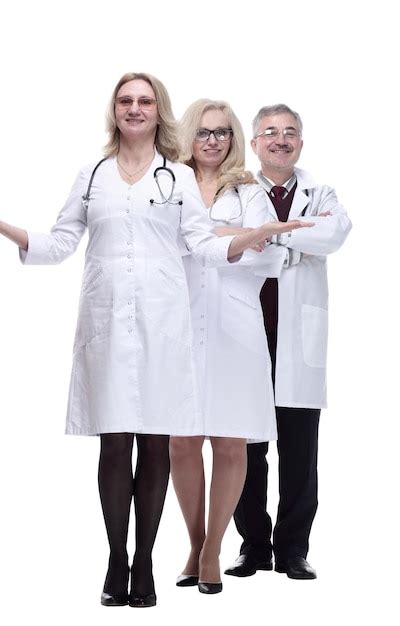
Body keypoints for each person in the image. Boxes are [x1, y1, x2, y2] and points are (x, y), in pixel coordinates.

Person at [0, 78, 310, 607]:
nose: (134, 109)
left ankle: (145, 564)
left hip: (164, 322)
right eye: (125, 101)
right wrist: (6, 229)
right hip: (108, 321)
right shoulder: (92, 175)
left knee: (158, 442)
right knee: (114, 442)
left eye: (144, 100)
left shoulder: (178, 177)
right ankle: (117, 558)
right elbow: (62, 242)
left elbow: (203, 246)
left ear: (158, 111)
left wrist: (258, 234)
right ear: (113, 111)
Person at [169, 99, 304, 595]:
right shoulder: (170, 184)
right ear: (188, 136)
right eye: (203, 132)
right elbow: (166, 247)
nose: (213, 140)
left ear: (233, 139)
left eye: (223, 132)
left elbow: (268, 257)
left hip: (236, 326)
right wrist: (236, 237)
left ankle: (212, 551)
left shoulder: (248, 190)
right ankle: (193, 540)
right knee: (181, 440)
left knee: (230, 441)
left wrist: (219, 239)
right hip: (179, 324)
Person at [224, 103, 352, 580]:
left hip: (297, 335)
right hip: (247, 332)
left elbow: (334, 233)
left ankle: (293, 549)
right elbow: (226, 238)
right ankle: (253, 546)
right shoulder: (236, 191)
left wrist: (267, 238)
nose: (281, 139)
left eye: (290, 132)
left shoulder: (323, 192)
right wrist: (292, 238)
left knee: (300, 448)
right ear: (255, 143)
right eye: (270, 132)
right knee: (246, 447)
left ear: (300, 142)